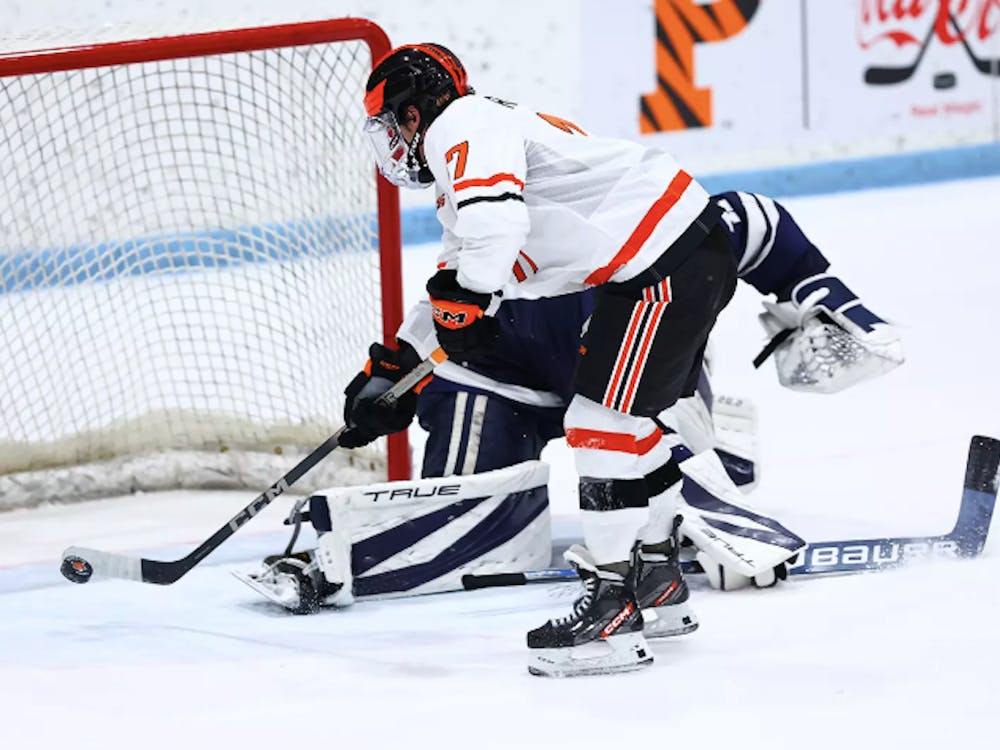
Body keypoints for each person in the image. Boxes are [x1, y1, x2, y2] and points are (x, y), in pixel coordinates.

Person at [247, 45, 903, 677]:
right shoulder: (476, 156)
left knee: (603, 427)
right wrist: (395, 367)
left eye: (391, 125)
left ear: (413, 113)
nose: (392, 142)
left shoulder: (465, 125)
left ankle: (614, 610)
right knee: (629, 429)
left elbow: (491, 240)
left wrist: (468, 302)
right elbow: (462, 268)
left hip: (662, 267)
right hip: (660, 266)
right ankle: (658, 578)